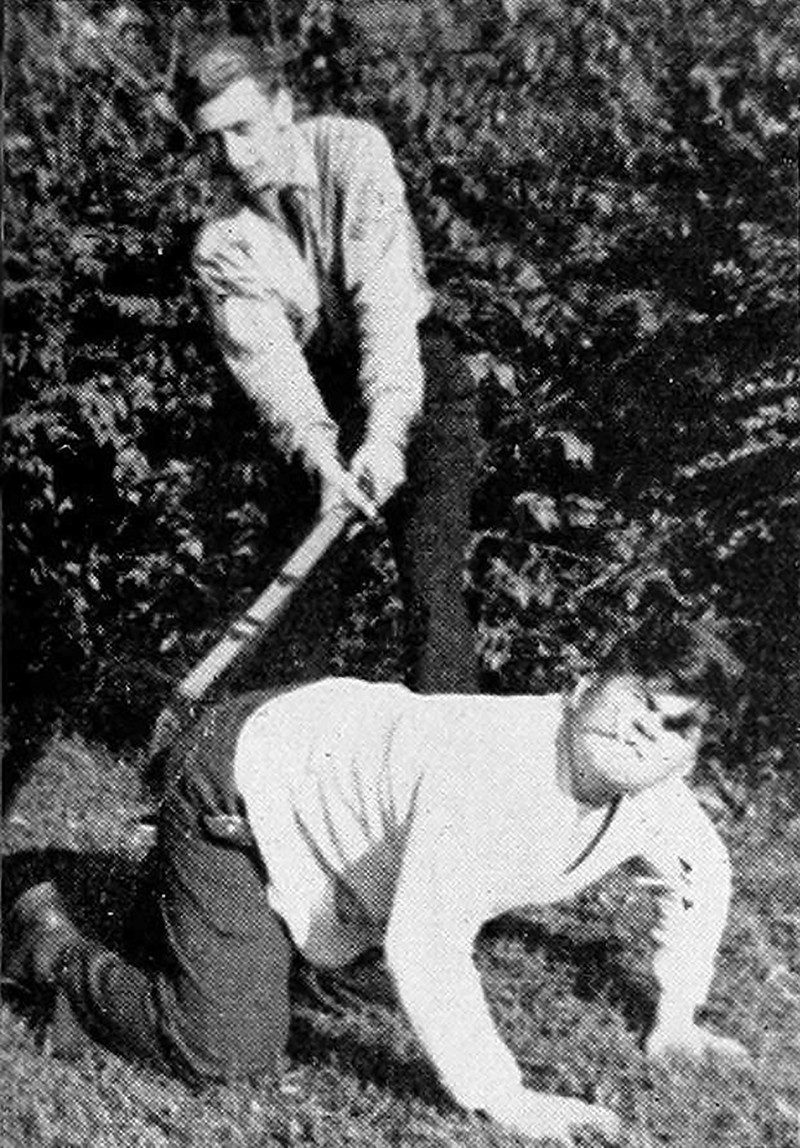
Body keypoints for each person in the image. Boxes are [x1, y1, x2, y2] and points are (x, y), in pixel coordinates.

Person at [6, 621, 749, 1147]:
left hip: (339, 813)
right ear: (582, 688)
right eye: (637, 698)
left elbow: (702, 875)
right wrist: (505, 1097)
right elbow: (426, 946)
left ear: (690, 760)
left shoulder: (656, 801)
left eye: (675, 725)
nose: (646, 729)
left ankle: (184, 908)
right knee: (225, 1049)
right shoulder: (493, 767)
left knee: (367, 989)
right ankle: (47, 939)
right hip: (248, 773)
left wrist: (676, 1017)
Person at [185, 34, 481, 691]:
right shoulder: (219, 245)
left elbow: (385, 302)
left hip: (416, 373)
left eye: (243, 128)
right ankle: (283, 751)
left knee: (433, 593)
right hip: (321, 401)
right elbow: (275, 374)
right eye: (212, 140)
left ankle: (449, 748)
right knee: (299, 616)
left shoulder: (352, 151)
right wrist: (324, 461)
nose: (233, 157)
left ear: (282, 107)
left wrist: (386, 435)